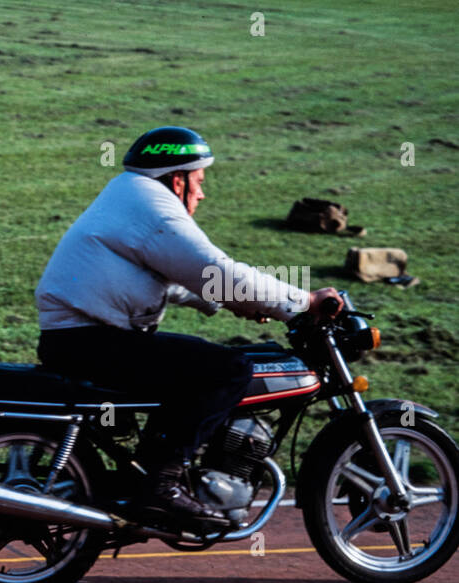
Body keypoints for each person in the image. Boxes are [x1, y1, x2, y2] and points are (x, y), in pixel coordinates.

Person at [34, 126, 344, 528]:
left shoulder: (130, 195)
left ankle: (151, 476)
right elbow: (217, 271)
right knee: (227, 369)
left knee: (200, 365)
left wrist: (233, 301)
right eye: (199, 181)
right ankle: (161, 486)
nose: (202, 193)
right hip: (91, 341)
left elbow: (174, 277)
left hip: (78, 338)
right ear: (177, 179)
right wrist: (303, 302)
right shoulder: (153, 206)